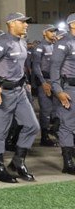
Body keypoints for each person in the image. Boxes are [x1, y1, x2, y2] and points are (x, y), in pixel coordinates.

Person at [0, 12, 40, 183]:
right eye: (22, 22)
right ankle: (0, 169)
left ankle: (17, 162)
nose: (26, 25)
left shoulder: (22, 41)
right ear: (12, 23)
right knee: (0, 132)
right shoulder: (3, 43)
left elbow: (20, 67)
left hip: (19, 91)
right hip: (3, 93)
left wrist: (25, 82)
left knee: (32, 126)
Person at [48, 12, 75, 174]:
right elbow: (55, 68)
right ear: (72, 25)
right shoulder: (64, 43)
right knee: (67, 125)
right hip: (69, 88)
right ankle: (68, 162)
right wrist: (58, 90)